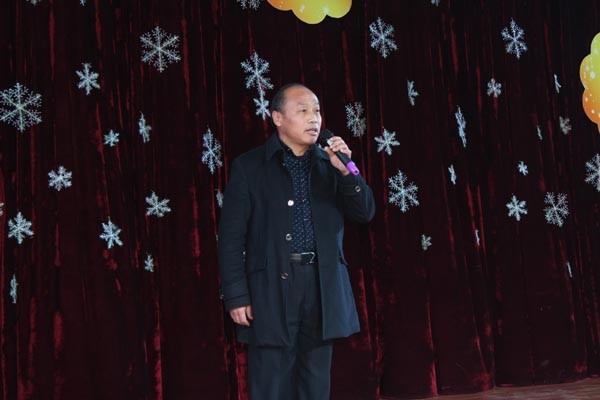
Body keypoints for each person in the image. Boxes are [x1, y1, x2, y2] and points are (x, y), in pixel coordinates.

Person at [218, 83, 375, 399]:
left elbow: (364, 213)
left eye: (316, 111)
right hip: (271, 288)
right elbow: (231, 238)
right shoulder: (250, 167)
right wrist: (236, 295)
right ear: (277, 117)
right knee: (271, 384)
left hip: (321, 286)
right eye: (303, 111)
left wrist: (348, 172)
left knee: (315, 383)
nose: (314, 118)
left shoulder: (331, 164)